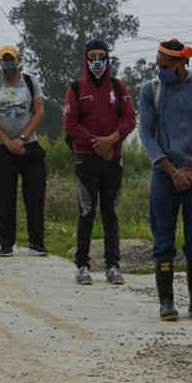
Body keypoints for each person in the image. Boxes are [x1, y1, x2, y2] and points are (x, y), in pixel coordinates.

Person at [137, 39, 192, 321]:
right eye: (158, 66)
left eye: (166, 66)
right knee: (163, 240)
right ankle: (166, 303)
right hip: (165, 174)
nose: (160, 71)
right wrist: (173, 170)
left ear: (181, 64)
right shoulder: (151, 90)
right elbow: (147, 135)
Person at [64, 40, 136, 286]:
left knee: (110, 212)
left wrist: (112, 141)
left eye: (102, 57)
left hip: (112, 160)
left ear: (108, 59)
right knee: (86, 211)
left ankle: (113, 266)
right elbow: (70, 123)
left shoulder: (118, 86)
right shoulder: (76, 88)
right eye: (92, 57)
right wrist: (97, 143)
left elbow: (129, 120)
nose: (97, 62)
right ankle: (82, 266)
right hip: (86, 159)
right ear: (85, 59)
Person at [0, 45, 47, 257]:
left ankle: (36, 243)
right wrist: (6, 141)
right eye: (4, 60)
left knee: (35, 196)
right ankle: (6, 244)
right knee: (4, 197)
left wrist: (22, 138)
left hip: (29, 145)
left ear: (19, 60)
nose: (8, 63)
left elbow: (38, 113)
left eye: (11, 59)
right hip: (2, 148)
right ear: (0, 62)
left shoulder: (30, 82)